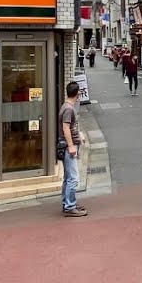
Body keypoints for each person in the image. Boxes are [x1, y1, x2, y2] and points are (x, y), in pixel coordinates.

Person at [59, 81, 87, 218]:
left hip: (67, 145)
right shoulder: (69, 109)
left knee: (68, 177)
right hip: (68, 146)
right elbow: (66, 128)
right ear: (77, 93)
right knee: (73, 178)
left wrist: (79, 138)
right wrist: (71, 146)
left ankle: (68, 203)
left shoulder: (66, 107)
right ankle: (70, 206)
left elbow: (70, 128)